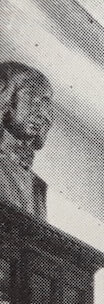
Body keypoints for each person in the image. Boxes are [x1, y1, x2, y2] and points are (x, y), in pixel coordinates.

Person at [0, 61, 52, 219]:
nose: (44, 114)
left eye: (45, 105)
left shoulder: (37, 187)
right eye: (34, 102)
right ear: (7, 98)